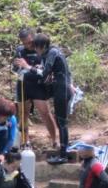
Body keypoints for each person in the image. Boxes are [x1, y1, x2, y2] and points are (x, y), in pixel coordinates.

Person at [16, 33, 72, 164]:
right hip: (60, 87)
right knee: (61, 121)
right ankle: (63, 151)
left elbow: (45, 74)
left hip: (62, 89)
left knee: (62, 122)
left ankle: (63, 155)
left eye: (36, 47)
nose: (36, 51)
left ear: (42, 46)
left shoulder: (52, 53)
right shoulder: (53, 51)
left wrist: (28, 67)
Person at [13, 28, 57, 147]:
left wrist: (29, 67)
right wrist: (17, 66)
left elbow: (46, 69)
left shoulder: (42, 48)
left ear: (34, 38)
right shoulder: (20, 50)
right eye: (25, 43)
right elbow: (16, 68)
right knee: (23, 114)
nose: (28, 45)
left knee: (45, 113)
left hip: (38, 85)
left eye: (30, 42)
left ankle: (54, 141)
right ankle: (25, 142)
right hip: (23, 84)